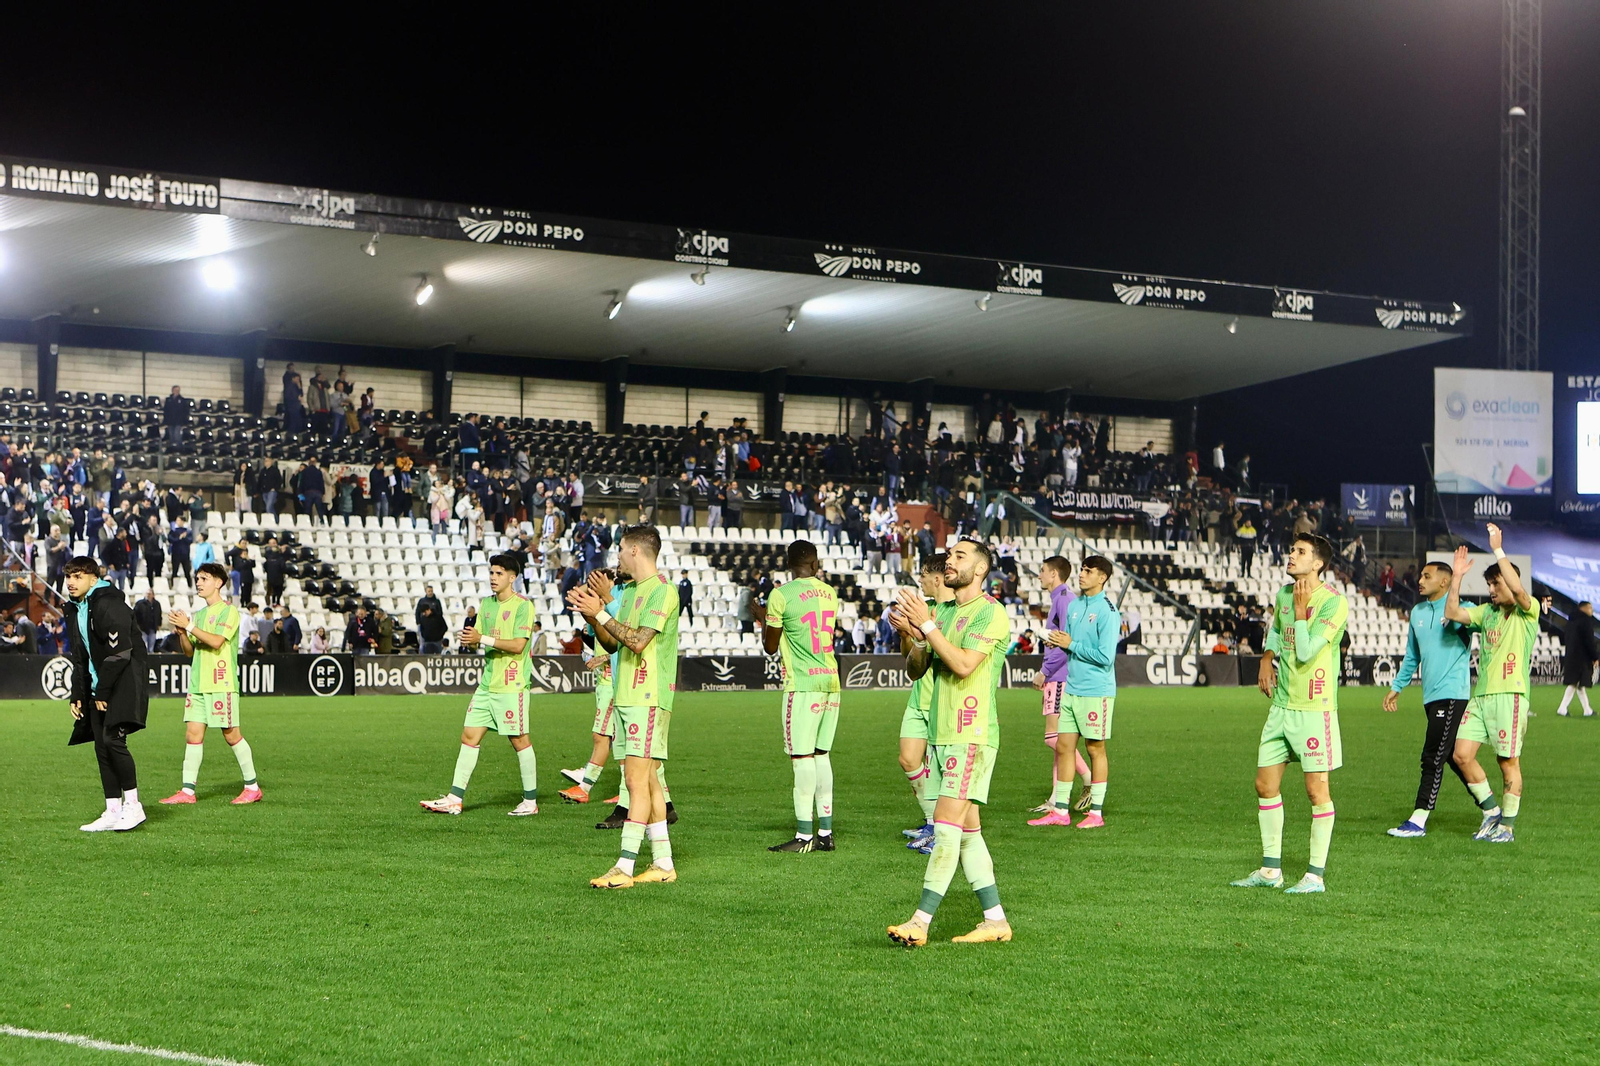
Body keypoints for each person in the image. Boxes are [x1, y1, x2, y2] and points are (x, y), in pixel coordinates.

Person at [886, 539, 1012, 946]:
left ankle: (919, 922)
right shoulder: (943, 611)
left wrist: (927, 626)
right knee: (968, 833)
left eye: (960, 556)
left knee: (944, 828)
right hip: (943, 735)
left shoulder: (990, 613)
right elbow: (915, 671)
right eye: (949, 555)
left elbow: (961, 664)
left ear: (979, 570)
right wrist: (916, 637)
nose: (950, 561)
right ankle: (995, 920)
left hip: (970, 736)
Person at [1231, 532, 1348, 894]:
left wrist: (1301, 614)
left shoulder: (1334, 602)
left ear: (1318, 563)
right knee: (1264, 785)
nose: (1291, 555)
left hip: (1315, 709)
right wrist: (1266, 659)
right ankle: (1270, 871)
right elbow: (1276, 634)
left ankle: (1314, 876)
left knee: (1316, 791)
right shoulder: (1284, 593)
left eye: (1300, 552)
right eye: (1292, 550)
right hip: (1281, 706)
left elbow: (1306, 651)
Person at [567, 525, 681, 888]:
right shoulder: (630, 591)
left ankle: (625, 865)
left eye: (620, 550)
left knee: (634, 781)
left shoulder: (663, 592)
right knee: (647, 781)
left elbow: (636, 641)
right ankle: (663, 862)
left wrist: (602, 613)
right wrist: (592, 614)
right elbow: (613, 644)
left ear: (635, 550)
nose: (616, 557)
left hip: (649, 697)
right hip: (628, 694)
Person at [419, 553, 540, 817]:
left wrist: (481, 638)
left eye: (499, 574)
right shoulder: (486, 604)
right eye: (492, 573)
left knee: (519, 740)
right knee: (469, 736)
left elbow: (519, 645)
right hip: (487, 684)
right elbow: (478, 641)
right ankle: (455, 798)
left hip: (512, 685)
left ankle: (530, 801)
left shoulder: (523, 606)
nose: (494, 578)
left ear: (512, 577)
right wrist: (471, 639)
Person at [1443, 527, 1537, 844]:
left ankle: (1507, 828)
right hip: (1481, 697)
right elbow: (1452, 611)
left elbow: (1519, 591)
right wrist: (1456, 576)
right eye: (1490, 584)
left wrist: (1498, 551)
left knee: (1507, 762)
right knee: (1460, 755)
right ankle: (1492, 812)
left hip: (1510, 696)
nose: (1492, 589)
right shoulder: (1488, 613)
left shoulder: (1528, 611)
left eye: (1496, 583)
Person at [1382, 559, 1475, 837]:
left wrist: (1458, 582)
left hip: (1453, 694)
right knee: (1452, 757)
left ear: (1444, 582)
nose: (1420, 580)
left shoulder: (1464, 609)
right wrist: (1397, 687)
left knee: (1432, 756)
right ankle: (1490, 807)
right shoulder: (1418, 612)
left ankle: (1418, 818)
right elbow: (1412, 656)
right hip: (1431, 696)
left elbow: (1461, 623)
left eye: (1427, 576)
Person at [158, 562, 263, 806]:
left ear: (218, 582)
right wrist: (183, 634)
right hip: (198, 683)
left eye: (204, 578)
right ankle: (187, 791)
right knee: (192, 734)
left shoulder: (229, 611)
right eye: (197, 578)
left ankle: (252, 787)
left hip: (220, 682)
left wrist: (190, 626)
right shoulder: (200, 615)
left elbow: (216, 642)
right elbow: (189, 652)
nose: (199, 582)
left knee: (231, 734)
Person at [762, 540, 842, 853]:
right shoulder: (829, 593)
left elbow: (771, 645)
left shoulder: (781, 595)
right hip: (831, 681)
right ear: (816, 562)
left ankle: (804, 837)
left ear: (788, 562)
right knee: (822, 755)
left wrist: (762, 616)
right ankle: (825, 832)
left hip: (803, 683)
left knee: (802, 758)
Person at [1030, 556, 1120, 829]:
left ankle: (1096, 813)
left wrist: (1071, 644)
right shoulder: (1076, 606)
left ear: (1102, 577)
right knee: (1064, 746)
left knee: (1095, 748)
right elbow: (1068, 644)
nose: (1081, 574)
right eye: (1081, 569)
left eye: (1088, 571)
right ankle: (1060, 810)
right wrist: (1057, 642)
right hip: (1072, 688)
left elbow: (1106, 657)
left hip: (1096, 691)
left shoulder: (1108, 611)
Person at [63, 556, 150, 832]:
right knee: (101, 746)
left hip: (122, 683)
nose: (70, 582)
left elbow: (121, 653)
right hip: (98, 686)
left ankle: (133, 806)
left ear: (93, 578)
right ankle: (113, 809)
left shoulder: (109, 604)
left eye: (77, 576)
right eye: (68, 577)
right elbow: (80, 657)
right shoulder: (77, 609)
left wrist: (102, 690)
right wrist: (78, 694)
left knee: (113, 742)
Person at [897, 553, 956, 853]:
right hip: (918, 695)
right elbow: (910, 657)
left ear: (937, 578)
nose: (919, 579)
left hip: (939, 700)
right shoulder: (926, 609)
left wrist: (923, 632)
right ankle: (932, 820)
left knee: (940, 772)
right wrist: (906, 632)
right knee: (908, 759)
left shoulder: (954, 611)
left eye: (923, 574)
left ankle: (939, 830)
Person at [1028, 556, 1093, 817]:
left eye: (1043, 571)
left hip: (1060, 676)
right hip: (1059, 675)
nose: (1040, 575)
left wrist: (1044, 671)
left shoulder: (1064, 599)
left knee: (1054, 738)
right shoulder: (1061, 599)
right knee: (1058, 740)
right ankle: (1057, 798)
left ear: (1054, 574)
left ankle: (1088, 779)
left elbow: (1067, 641)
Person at [1555, 600, 1600, 717]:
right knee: (1575, 683)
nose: (1591, 610)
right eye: (1590, 608)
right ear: (1583, 609)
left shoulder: (1571, 621)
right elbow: (1589, 642)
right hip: (1581, 658)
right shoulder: (1585, 622)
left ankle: (1587, 710)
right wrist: (1595, 657)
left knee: (1578, 684)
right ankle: (1562, 708)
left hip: (1571, 655)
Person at [133, 588, 163, 652]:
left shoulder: (157, 604)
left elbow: (159, 614)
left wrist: (159, 624)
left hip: (153, 628)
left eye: (149, 594)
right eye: (147, 594)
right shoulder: (140, 604)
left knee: (151, 648)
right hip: (142, 629)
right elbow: (135, 615)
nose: (148, 595)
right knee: (143, 647)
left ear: (153, 595)